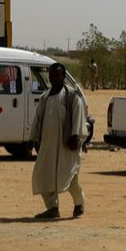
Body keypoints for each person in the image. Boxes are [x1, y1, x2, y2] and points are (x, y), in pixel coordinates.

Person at [30, 63, 88, 220]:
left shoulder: (71, 96)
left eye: (58, 75)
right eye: (52, 75)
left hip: (66, 144)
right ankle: (52, 208)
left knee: (68, 176)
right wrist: (34, 138)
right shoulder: (45, 97)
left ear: (63, 76)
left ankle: (79, 203)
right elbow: (37, 119)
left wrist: (75, 136)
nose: (55, 78)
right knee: (44, 175)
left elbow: (78, 117)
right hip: (48, 144)